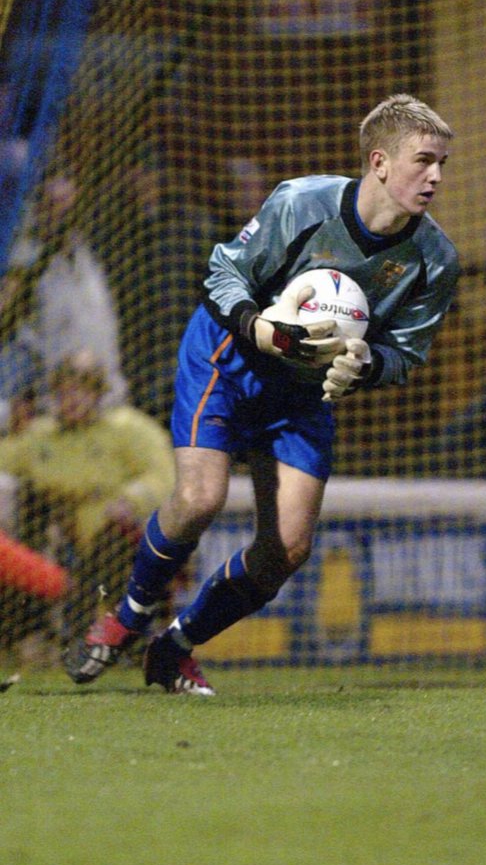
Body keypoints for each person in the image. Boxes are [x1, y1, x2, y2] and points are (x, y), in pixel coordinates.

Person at [66, 93, 460, 695]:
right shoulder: (302, 203)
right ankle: (125, 618)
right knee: (199, 499)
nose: (435, 178)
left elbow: (405, 354)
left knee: (288, 550)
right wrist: (261, 329)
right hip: (228, 362)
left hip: (300, 397)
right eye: (423, 161)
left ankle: (173, 647)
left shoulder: (435, 259)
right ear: (379, 162)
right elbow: (223, 273)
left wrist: (365, 365)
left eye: (441, 164)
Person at [0, 350, 174, 655]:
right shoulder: (41, 435)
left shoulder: (130, 428)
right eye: (64, 393)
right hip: (60, 534)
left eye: (80, 391)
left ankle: (128, 636)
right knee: (30, 508)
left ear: (98, 393)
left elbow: (163, 476)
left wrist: (131, 500)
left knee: (118, 543)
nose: (71, 400)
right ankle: (40, 633)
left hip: (118, 530)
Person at [0, 172, 127, 421]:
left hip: (107, 399)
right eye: (53, 204)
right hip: (58, 407)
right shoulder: (22, 262)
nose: (61, 213)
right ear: (38, 207)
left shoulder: (88, 255)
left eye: (68, 204)